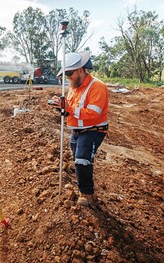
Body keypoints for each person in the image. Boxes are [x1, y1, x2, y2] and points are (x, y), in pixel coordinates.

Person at [52, 51, 109, 207]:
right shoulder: (74, 87)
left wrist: (69, 109)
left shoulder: (97, 86)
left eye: (70, 73)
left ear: (80, 70)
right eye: (65, 74)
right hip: (77, 130)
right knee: (78, 159)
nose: (68, 77)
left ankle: (87, 194)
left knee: (82, 159)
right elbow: (72, 108)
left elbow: (93, 114)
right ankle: (82, 186)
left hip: (93, 129)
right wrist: (62, 106)